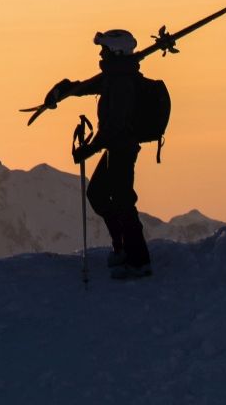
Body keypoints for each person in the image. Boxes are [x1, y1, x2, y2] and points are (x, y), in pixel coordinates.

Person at [42, 29, 153, 280]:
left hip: (122, 149)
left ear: (115, 51)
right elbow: (90, 86)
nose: (100, 54)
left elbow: (115, 126)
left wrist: (89, 149)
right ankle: (123, 247)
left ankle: (138, 261)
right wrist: (66, 89)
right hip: (117, 147)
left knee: (123, 200)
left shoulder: (123, 82)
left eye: (103, 49)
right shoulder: (115, 76)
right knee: (99, 194)